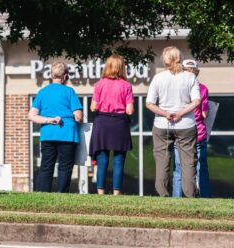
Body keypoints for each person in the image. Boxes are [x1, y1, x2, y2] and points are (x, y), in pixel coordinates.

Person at [146, 46, 201, 198]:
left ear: (166, 59)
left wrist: (166, 114)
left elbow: (149, 103)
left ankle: (163, 194)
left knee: (162, 161)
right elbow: (196, 101)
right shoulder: (190, 77)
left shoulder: (159, 78)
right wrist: (180, 113)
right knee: (188, 161)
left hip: (162, 124)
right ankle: (190, 195)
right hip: (186, 125)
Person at [28, 62, 83, 192]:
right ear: (65, 76)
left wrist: (48, 120)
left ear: (52, 75)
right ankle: (62, 195)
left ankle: (43, 195)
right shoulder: (69, 91)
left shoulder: (42, 92)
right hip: (68, 135)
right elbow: (78, 116)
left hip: (48, 135)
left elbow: (31, 116)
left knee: (46, 166)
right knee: (65, 167)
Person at [89, 54, 134, 195]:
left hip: (102, 123)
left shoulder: (99, 84)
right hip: (119, 123)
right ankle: (116, 192)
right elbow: (130, 110)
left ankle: (101, 191)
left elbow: (93, 107)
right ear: (122, 68)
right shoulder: (126, 86)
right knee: (119, 159)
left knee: (102, 158)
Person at [172, 59, 211, 198]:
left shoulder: (176, 87)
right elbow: (204, 114)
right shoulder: (203, 88)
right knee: (201, 168)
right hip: (198, 132)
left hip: (180, 131)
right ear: (196, 72)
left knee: (178, 168)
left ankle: (177, 199)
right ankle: (205, 197)